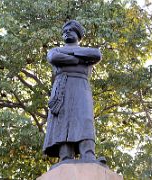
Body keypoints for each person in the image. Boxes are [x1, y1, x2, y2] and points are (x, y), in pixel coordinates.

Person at [43, 20, 102, 163]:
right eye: (64, 32)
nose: (66, 33)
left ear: (78, 34)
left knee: (85, 119)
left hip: (81, 87)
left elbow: (96, 54)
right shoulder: (55, 50)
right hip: (62, 88)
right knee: (63, 121)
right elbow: (53, 57)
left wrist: (71, 56)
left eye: (70, 30)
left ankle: (88, 155)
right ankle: (65, 156)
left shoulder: (88, 51)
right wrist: (79, 60)